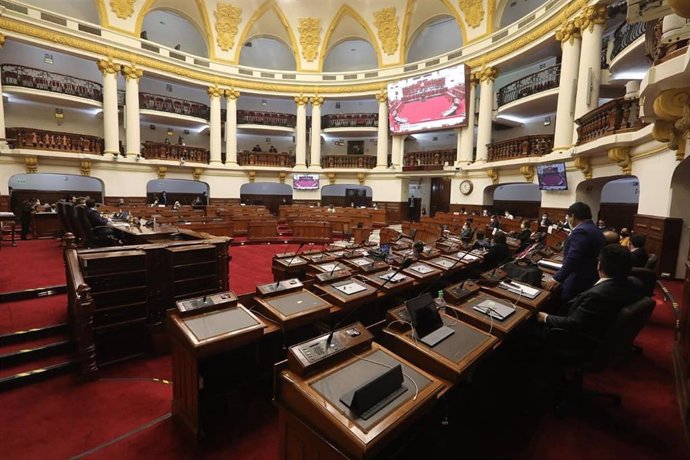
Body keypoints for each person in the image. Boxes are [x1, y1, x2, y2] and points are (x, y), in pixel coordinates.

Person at [536, 244, 644, 338]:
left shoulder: (596, 295)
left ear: (599, 265)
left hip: (569, 337)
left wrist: (545, 317)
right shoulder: (635, 282)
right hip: (602, 328)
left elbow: (574, 323)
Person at [544, 202, 606, 304]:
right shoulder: (595, 229)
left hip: (577, 280)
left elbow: (573, 258)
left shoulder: (581, 231)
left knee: (565, 306)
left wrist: (556, 279)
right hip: (591, 276)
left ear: (573, 216)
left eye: (568, 216)